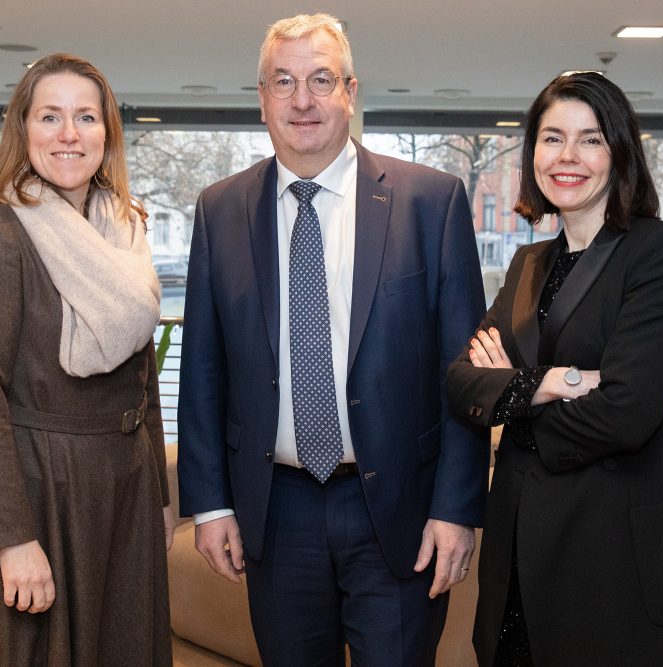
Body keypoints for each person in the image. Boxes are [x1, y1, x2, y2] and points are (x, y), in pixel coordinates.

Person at [177, 13, 488, 665]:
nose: (302, 99)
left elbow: (462, 377)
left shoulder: (432, 203)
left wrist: (458, 509)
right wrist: (207, 506)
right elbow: (204, 372)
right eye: (283, 81)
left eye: (320, 79)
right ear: (261, 98)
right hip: (276, 513)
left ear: (351, 90)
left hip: (400, 514)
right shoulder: (220, 210)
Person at [446, 72, 663, 666]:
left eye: (591, 139)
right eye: (553, 138)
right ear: (533, 153)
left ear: (620, 153)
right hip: (519, 551)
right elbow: (461, 382)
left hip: (612, 552)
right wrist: (562, 380)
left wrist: (514, 405)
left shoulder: (657, 251)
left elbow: (628, 413)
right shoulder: (529, 263)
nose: (568, 157)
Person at [0, 53, 173, 665]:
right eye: (50, 116)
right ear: (23, 128)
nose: (69, 134)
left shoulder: (123, 230)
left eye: (85, 117)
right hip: (30, 493)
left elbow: (140, 378)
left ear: (108, 133)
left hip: (118, 492)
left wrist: (155, 493)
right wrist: (13, 539)